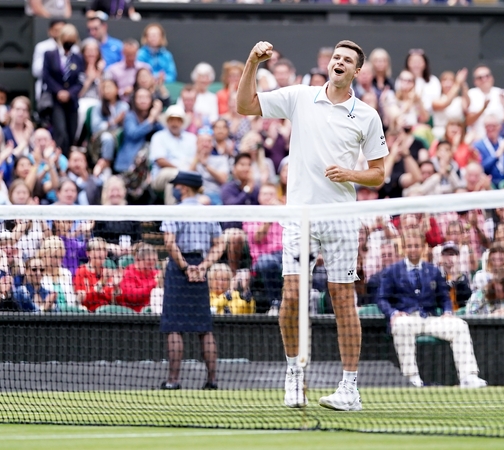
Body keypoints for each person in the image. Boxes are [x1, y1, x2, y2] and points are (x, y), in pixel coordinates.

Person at [237, 40, 388, 410]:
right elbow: (245, 105)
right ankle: (293, 377)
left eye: (347, 60)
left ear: (356, 71)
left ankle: (349, 388)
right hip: (299, 217)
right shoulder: (300, 97)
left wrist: (350, 173)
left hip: (340, 219)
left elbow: (379, 175)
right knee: (291, 297)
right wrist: (252, 62)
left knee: (343, 302)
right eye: (336, 57)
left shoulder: (367, 116)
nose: (339, 62)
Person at [378, 230, 487, 388]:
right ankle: (412, 378)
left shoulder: (433, 271)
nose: (413, 249)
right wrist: (393, 313)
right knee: (400, 325)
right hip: (407, 319)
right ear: (404, 248)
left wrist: (447, 312)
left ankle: (468, 377)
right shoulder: (392, 271)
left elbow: (444, 297)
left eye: (416, 246)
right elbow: (382, 299)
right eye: (410, 246)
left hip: (429, 319)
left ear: (422, 247)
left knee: (460, 326)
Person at [159, 171, 225, 390]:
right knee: (204, 328)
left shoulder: (174, 212)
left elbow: (169, 243)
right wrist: (203, 266)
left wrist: (186, 267)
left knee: (174, 327)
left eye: (177, 185)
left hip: (180, 269)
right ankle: (213, 381)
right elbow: (219, 244)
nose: (175, 189)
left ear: (183, 188)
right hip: (199, 267)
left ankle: (173, 380)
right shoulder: (208, 213)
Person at [42, 24, 84, 155]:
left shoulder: (78, 58)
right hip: (55, 101)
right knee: (61, 133)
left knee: (71, 133)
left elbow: (80, 80)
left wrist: (69, 93)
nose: (69, 42)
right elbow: (46, 76)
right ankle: (59, 160)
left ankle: (68, 159)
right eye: (67, 38)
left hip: (71, 101)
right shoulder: (50, 55)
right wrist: (59, 91)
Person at [149, 104, 196, 205]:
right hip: (161, 176)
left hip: (188, 172)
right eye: (172, 120)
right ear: (167, 122)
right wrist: (181, 171)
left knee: (194, 178)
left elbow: (195, 159)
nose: (175, 123)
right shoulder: (158, 137)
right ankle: (171, 214)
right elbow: (160, 160)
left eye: (178, 120)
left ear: (182, 122)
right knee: (173, 176)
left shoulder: (191, 138)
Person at [118, 243, 158, 313]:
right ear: (137, 259)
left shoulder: (156, 273)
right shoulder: (128, 273)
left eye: (154, 263)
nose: (152, 267)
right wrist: (155, 283)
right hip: (133, 315)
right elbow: (133, 297)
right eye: (149, 264)